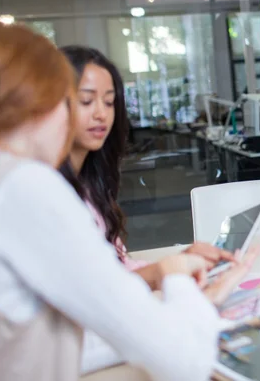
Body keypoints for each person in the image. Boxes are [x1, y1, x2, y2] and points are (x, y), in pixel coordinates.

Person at [0, 22, 256, 381]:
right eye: (73, 101)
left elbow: (53, 341)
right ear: (41, 104)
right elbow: (184, 362)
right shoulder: (25, 186)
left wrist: (172, 304)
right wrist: (182, 287)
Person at [58, 46, 225, 281]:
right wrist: (164, 271)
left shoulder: (89, 183)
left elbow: (119, 267)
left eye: (108, 102)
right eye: (86, 101)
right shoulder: (49, 191)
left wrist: (180, 262)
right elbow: (92, 289)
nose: (101, 114)